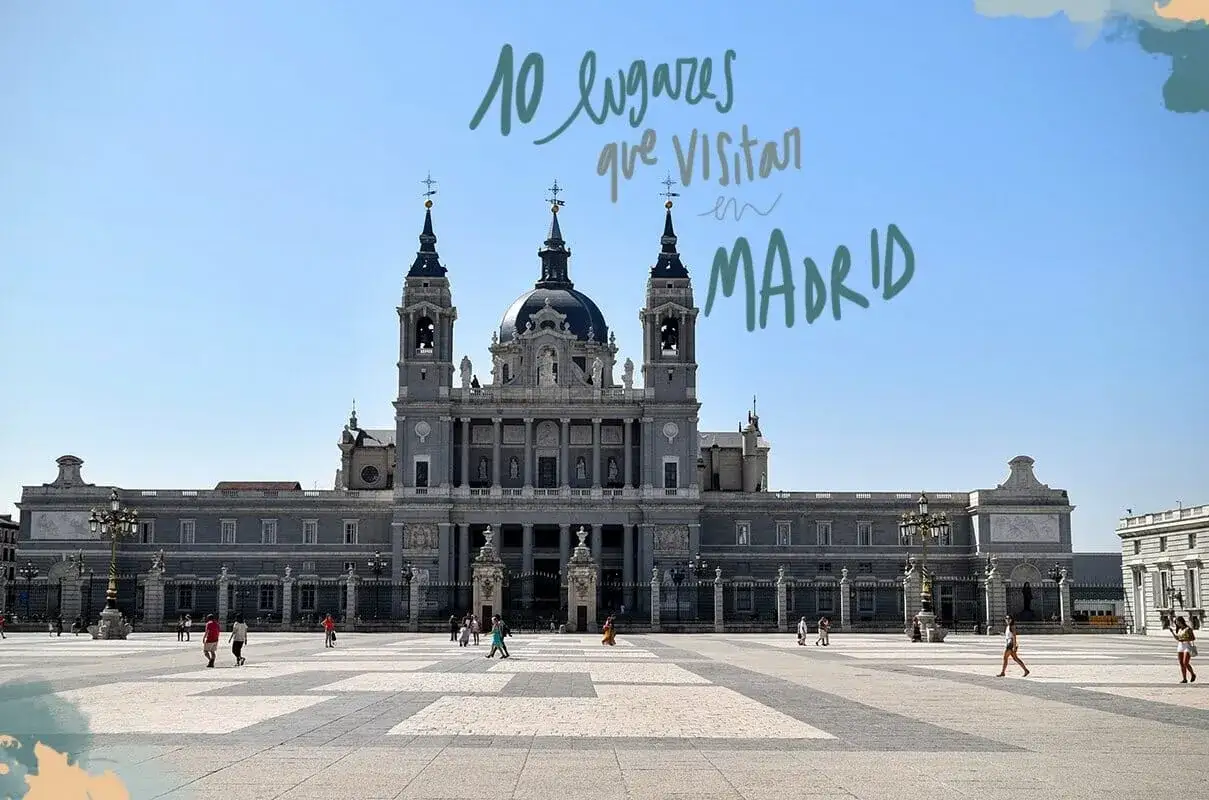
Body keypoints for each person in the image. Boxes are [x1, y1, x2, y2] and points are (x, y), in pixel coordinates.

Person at [1171, 616, 1198, 683]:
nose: (1176, 623)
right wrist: (1172, 632)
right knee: (1181, 663)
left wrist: (1184, 640)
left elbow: (1193, 638)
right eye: (1176, 622)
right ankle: (1184, 679)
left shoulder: (1188, 629)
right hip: (1180, 646)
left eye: (1177, 622)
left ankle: (1193, 674)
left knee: (1185, 662)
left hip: (1187, 646)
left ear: (1181, 621)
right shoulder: (1179, 629)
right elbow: (1177, 638)